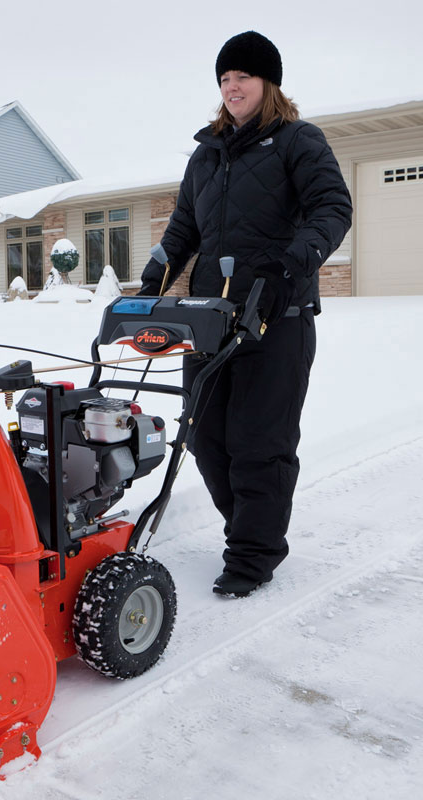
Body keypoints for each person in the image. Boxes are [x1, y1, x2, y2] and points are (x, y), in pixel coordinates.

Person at [139, 31, 352, 597]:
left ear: (268, 83)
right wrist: (154, 276)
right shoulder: (207, 152)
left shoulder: (297, 141)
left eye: (244, 77)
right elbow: (185, 227)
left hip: (276, 316)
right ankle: (249, 529)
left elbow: (333, 208)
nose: (233, 87)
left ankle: (253, 555)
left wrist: (289, 270)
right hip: (211, 317)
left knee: (261, 442)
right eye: (226, 79)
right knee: (205, 434)